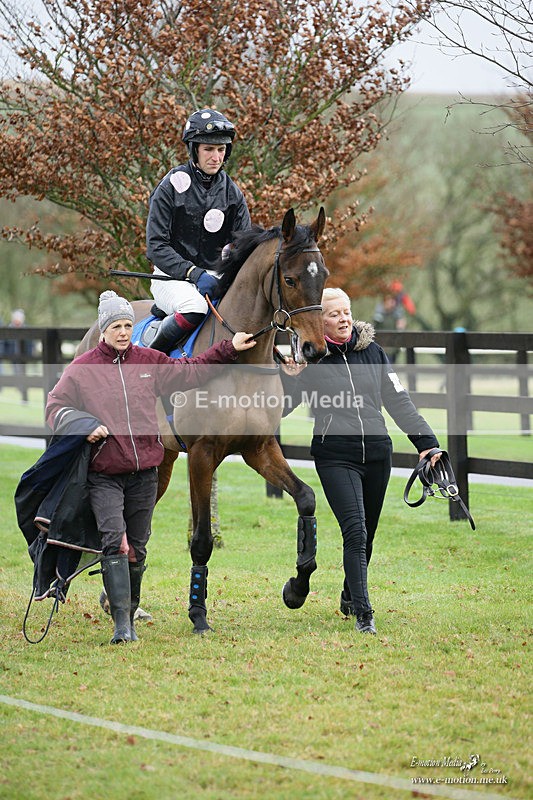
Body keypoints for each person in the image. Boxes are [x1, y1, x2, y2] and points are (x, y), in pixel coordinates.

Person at [45, 290, 256, 644]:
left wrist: (229, 348)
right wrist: (83, 425)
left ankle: (129, 612)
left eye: (128, 326)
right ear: (103, 330)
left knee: (138, 548)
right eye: (116, 326)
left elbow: (192, 371)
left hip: (144, 473)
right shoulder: (83, 369)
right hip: (105, 474)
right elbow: (55, 407)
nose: (123, 332)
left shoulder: (149, 360)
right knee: (115, 542)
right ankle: (121, 626)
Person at [282, 287, 441, 635]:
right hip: (336, 456)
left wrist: (427, 444)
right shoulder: (310, 359)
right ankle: (364, 614)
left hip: (378, 454)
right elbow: (282, 408)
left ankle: (349, 594)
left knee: (367, 535)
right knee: (354, 531)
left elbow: (399, 401)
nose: (343, 319)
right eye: (334, 314)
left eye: (346, 312)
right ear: (320, 321)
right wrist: (288, 379)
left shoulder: (373, 352)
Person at [146, 108, 251, 352]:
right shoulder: (169, 187)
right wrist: (193, 272)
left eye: (221, 149)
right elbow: (156, 246)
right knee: (195, 307)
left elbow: (243, 245)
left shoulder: (232, 193)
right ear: (194, 150)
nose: (216, 157)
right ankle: (150, 360)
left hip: (214, 278)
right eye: (208, 149)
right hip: (170, 277)